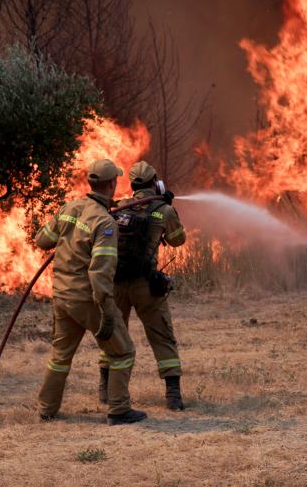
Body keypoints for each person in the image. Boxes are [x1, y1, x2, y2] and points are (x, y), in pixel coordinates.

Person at [34, 159, 146, 425]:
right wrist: (107, 311)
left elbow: (42, 239)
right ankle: (119, 410)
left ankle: (46, 408)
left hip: (62, 296)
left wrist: (68, 237)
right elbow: (100, 271)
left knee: (60, 357)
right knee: (122, 350)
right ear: (111, 184)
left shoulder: (70, 208)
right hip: (87, 300)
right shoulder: (105, 223)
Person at [98, 161, 187, 410]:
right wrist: (168, 209)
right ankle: (173, 396)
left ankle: (105, 389)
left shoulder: (119, 207)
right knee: (162, 335)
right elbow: (178, 240)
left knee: (114, 335)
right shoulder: (163, 210)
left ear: (132, 184)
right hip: (145, 286)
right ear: (154, 183)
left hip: (115, 284)